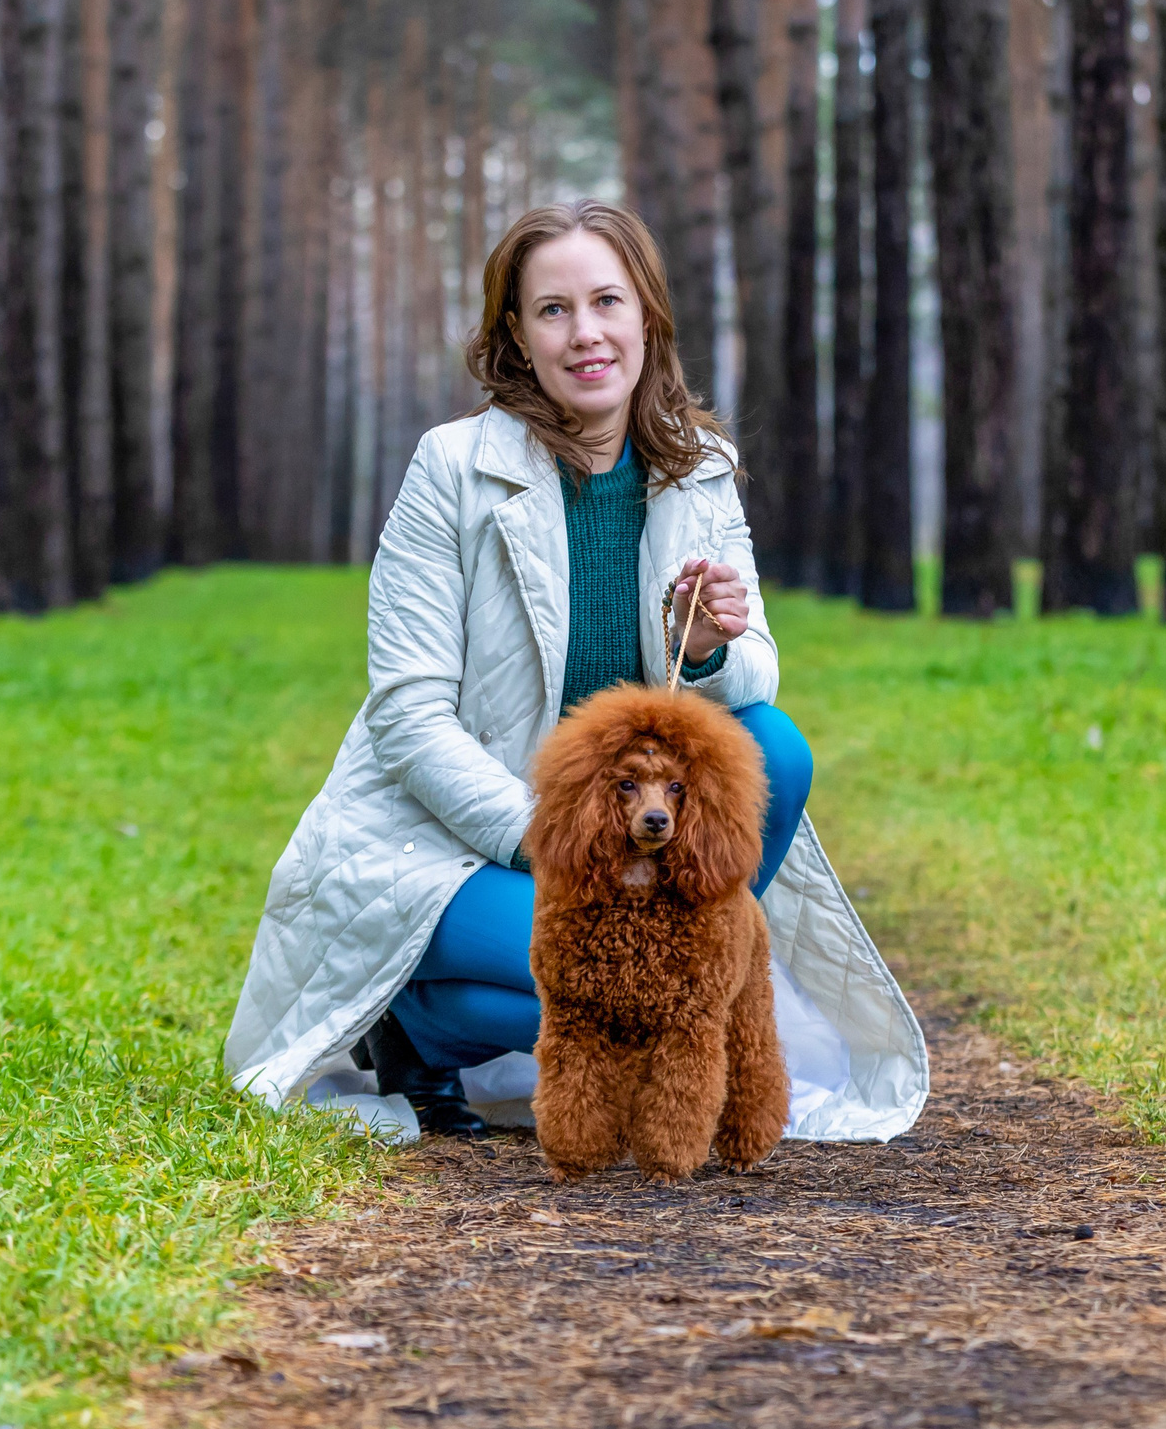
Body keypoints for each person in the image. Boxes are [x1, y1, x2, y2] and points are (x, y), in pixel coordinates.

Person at [222, 200, 925, 1145]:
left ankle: (657, 1018)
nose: (586, 332)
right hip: (453, 839)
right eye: (553, 309)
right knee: (581, 966)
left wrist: (709, 648)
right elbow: (409, 717)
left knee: (775, 750)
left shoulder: (699, 466)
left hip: (636, 836)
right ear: (516, 332)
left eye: (607, 301)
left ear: (647, 316)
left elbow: (754, 669)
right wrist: (554, 841)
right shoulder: (452, 468)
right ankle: (415, 1023)